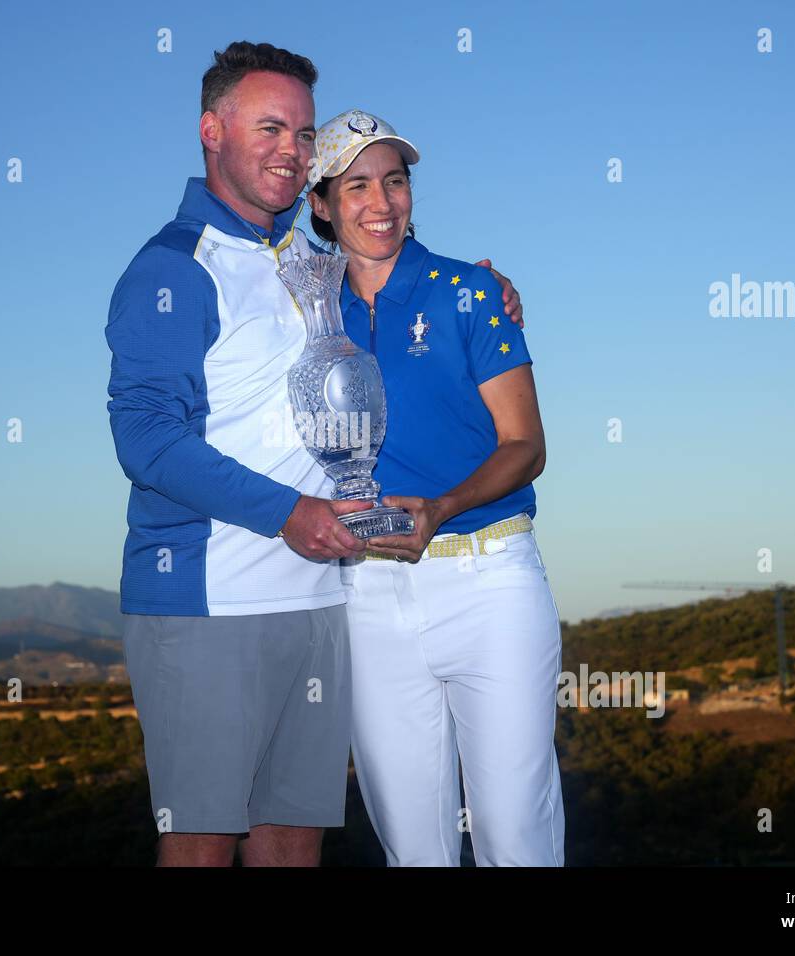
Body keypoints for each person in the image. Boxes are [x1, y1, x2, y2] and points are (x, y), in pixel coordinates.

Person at [105, 43, 525, 867]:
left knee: (293, 846)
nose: (291, 151)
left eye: (303, 134)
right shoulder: (170, 269)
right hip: (206, 604)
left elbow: (387, 256)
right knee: (198, 847)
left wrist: (480, 285)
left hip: (324, 604)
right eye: (270, 128)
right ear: (210, 130)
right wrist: (287, 514)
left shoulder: (307, 259)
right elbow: (146, 438)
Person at [306, 109, 565, 866]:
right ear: (321, 204)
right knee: (413, 848)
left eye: (394, 181)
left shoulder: (471, 292)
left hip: (491, 583)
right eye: (356, 186)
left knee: (515, 834)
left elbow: (527, 445)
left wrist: (445, 506)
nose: (381, 203)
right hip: (366, 598)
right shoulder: (303, 308)